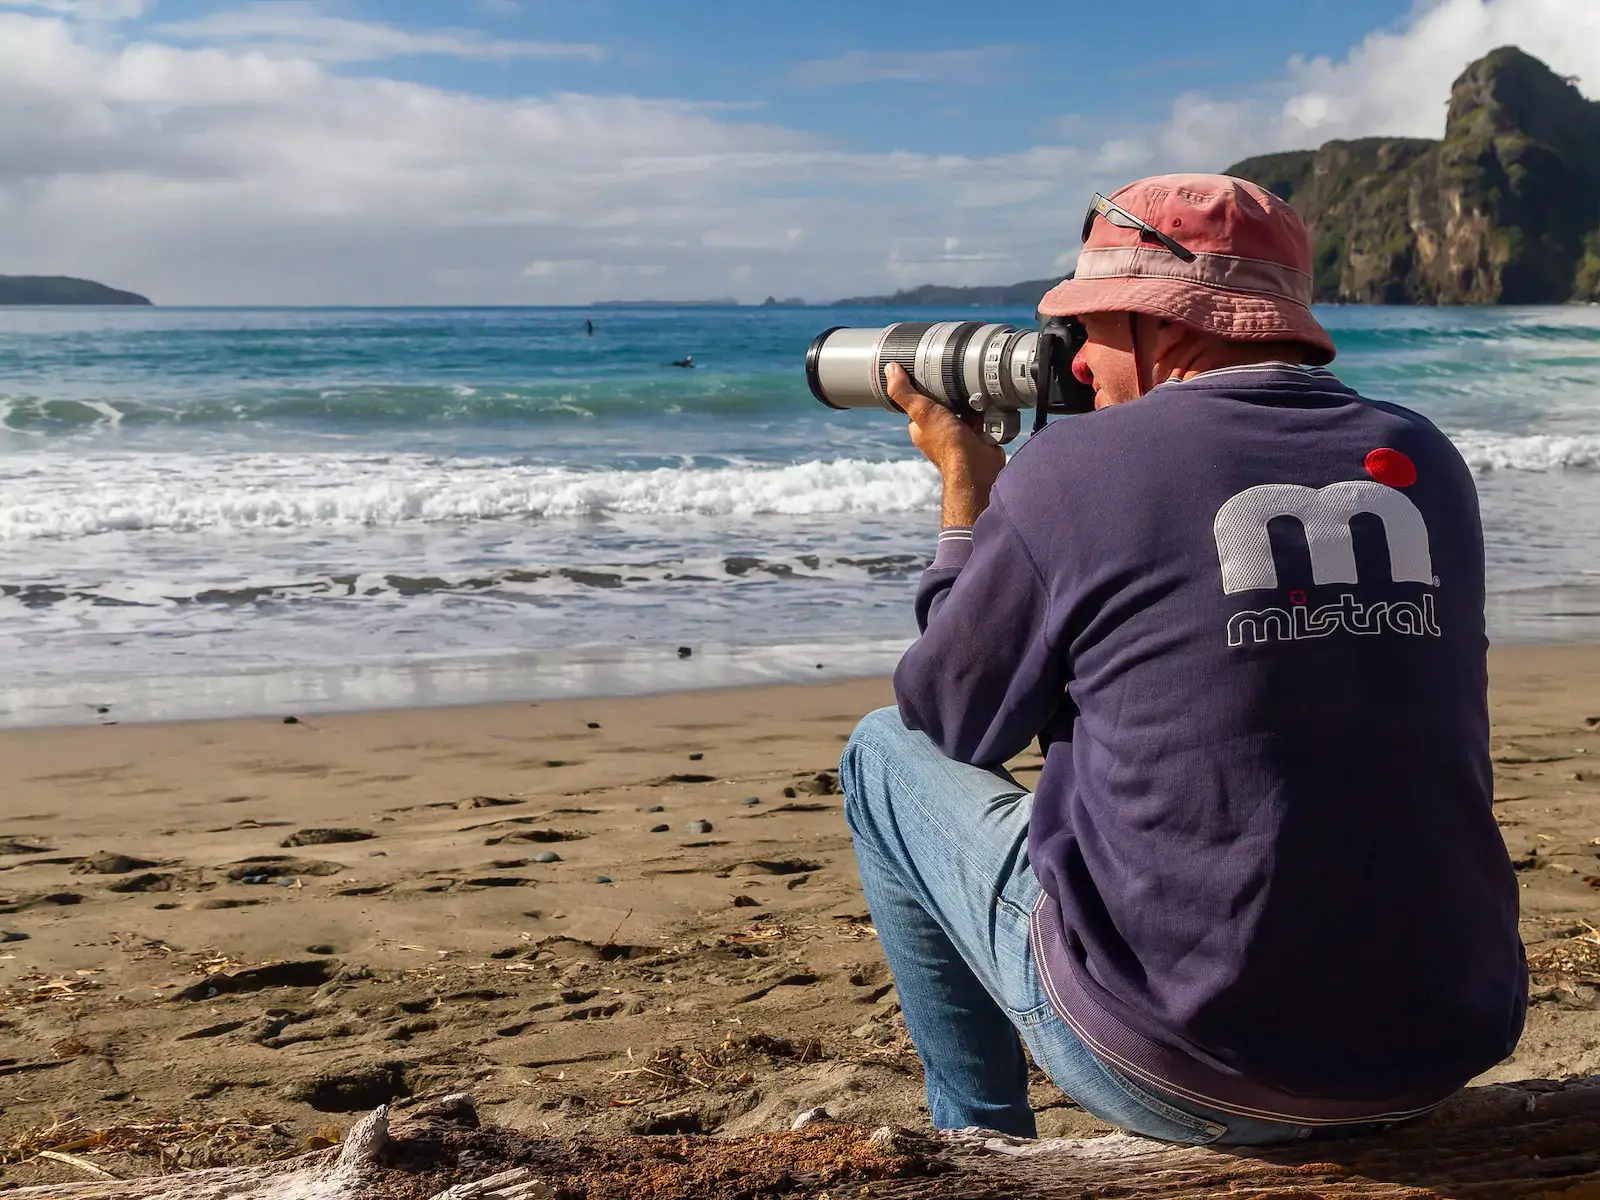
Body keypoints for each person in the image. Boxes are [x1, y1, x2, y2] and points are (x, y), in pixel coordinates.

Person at [840, 174, 1526, 1146]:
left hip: (1179, 1056)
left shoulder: (1080, 470)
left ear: (1165, 324)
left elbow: (949, 715)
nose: (1078, 370)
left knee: (880, 755)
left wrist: (968, 494)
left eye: (1097, 328)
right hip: (1444, 1035)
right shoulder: (1424, 456)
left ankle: (978, 1146)